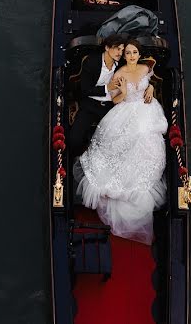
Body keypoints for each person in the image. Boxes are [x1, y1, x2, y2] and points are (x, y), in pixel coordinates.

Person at [76, 40, 168, 244]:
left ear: (139, 54)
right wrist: (124, 93)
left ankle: (144, 173)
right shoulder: (120, 74)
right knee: (134, 135)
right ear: (125, 56)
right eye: (128, 53)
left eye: (134, 52)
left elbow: (149, 80)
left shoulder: (146, 67)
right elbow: (116, 100)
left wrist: (151, 87)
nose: (131, 56)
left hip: (147, 110)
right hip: (125, 110)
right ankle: (123, 184)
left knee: (146, 133)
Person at [69, 34, 155, 157]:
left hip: (111, 107)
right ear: (107, 48)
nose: (120, 53)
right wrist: (107, 88)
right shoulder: (91, 62)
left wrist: (150, 86)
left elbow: (137, 75)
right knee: (75, 140)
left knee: (118, 140)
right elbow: (85, 90)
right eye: (116, 48)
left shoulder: (120, 65)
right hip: (90, 105)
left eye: (121, 50)